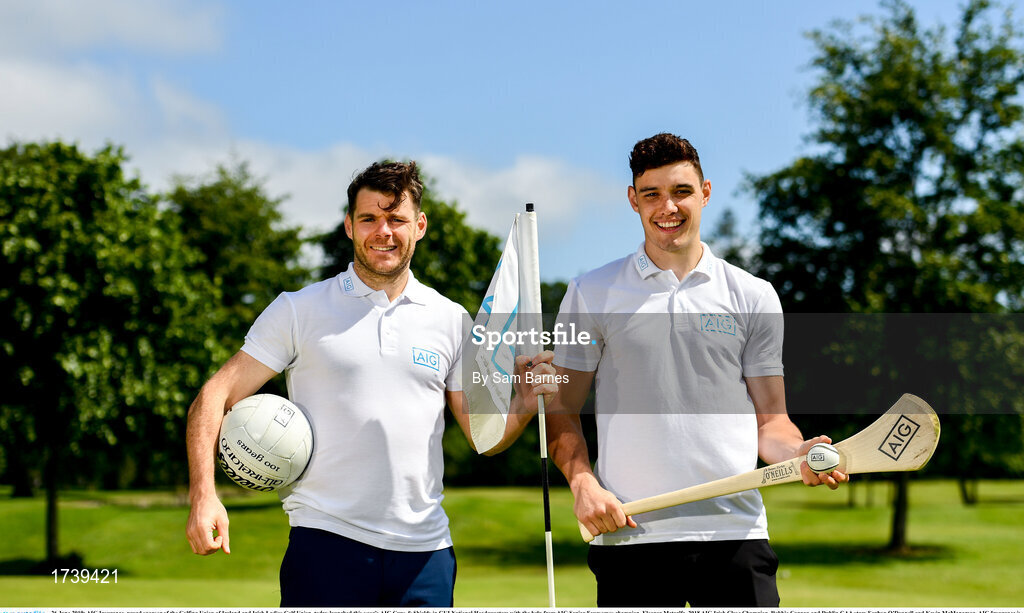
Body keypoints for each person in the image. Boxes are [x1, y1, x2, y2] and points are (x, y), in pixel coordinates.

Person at [185, 160, 556, 607]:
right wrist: (203, 495)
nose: (384, 231)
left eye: (396, 219)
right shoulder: (299, 309)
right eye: (369, 218)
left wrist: (523, 402)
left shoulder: (452, 319)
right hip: (325, 542)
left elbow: (482, 438)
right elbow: (213, 396)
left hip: (427, 554)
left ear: (418, 226)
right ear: (349, 225)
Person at [545, 133, 848, 607]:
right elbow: (561, 408)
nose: (668, 206)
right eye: (652, 194)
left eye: (681, 191)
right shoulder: (591, 292)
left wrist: (800, 451)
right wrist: (583, 483)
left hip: (736, 534)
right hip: (630, 535)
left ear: (705, 192)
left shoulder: (754, 296)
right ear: (633, 200)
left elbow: (771, 424)